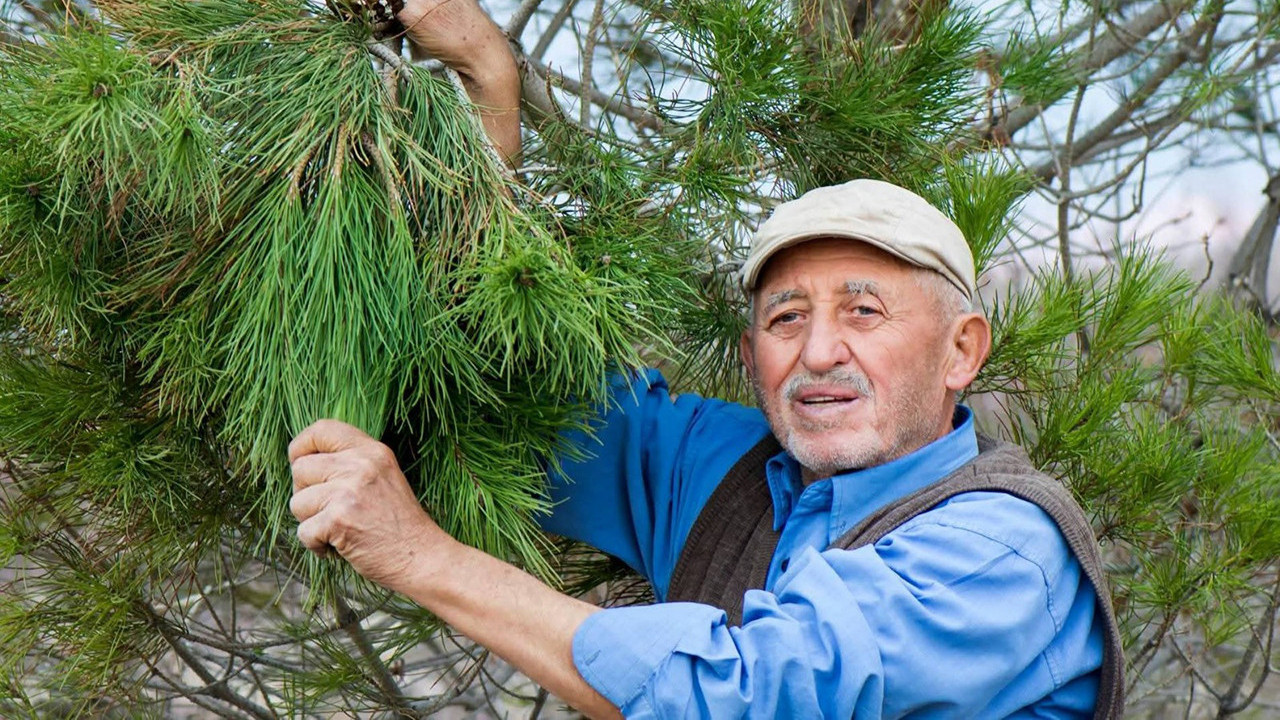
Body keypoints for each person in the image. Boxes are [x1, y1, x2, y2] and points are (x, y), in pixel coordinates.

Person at [287, 2, 1122, 717]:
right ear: (751, 353)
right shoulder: (718, 468)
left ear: (961, 350)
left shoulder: (1002, 550)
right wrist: (486, 83)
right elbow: (490, 381)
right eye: (785, 318)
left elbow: (740, 697)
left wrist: (419, 555)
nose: (818, 351)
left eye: (863, 311)